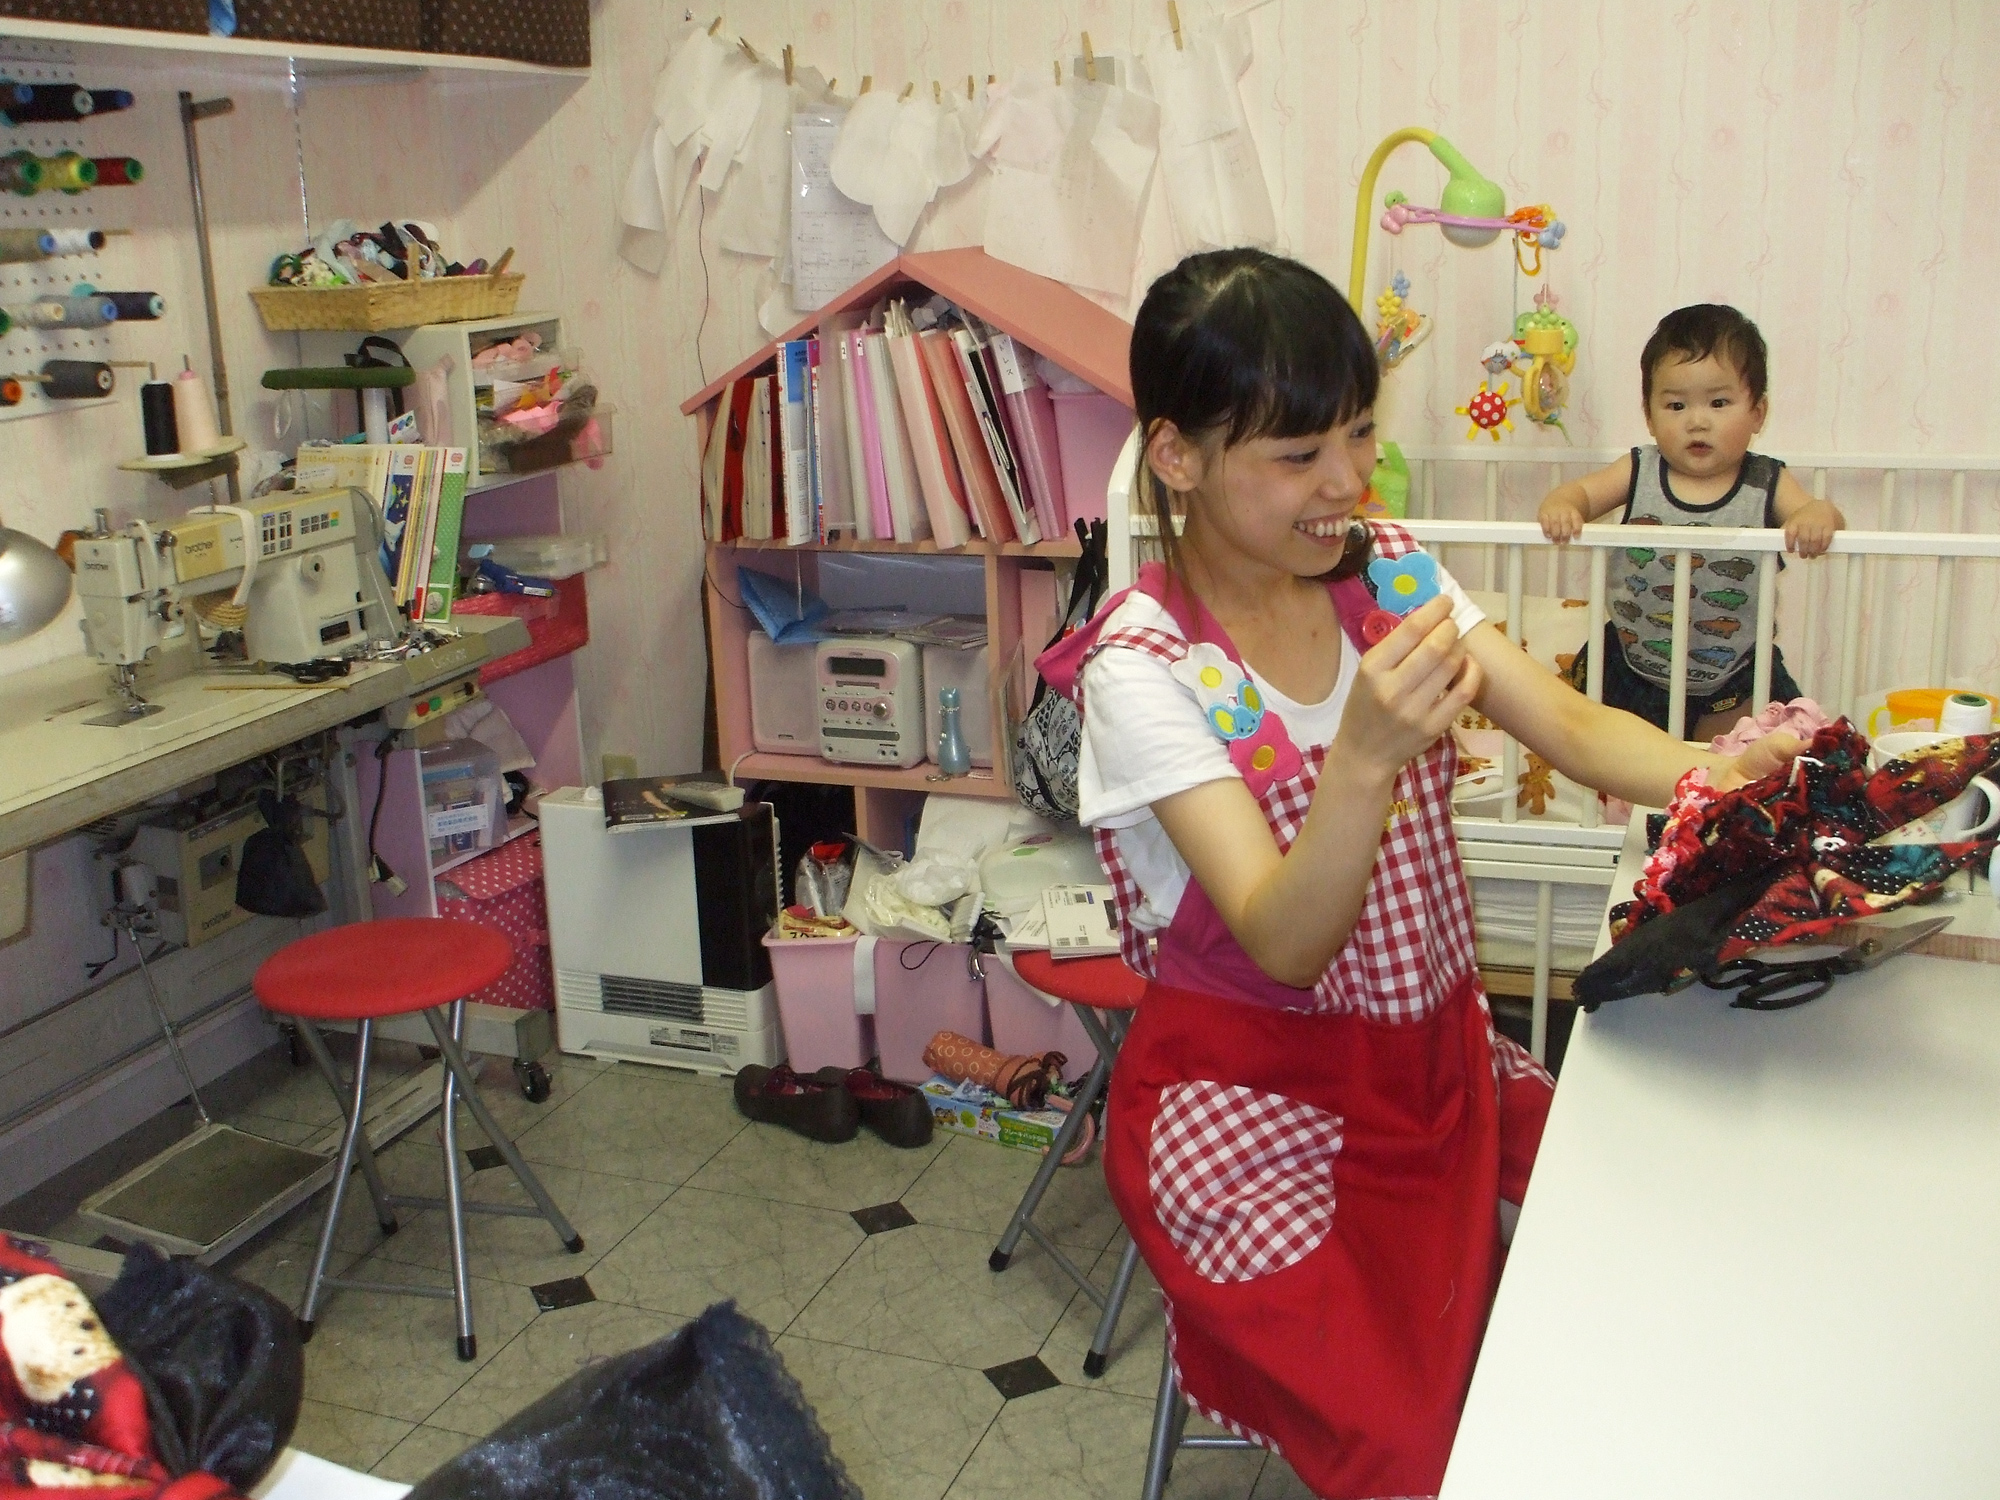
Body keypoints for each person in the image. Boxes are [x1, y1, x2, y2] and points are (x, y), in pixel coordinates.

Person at [1035, 251, 1801, 1500]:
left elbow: (1570, 724)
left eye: (1356, 432)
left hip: (1438, 1067)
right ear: (1174, 455)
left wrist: (1732, 774)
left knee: (1654, 1273)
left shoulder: (1385, 570)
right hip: (1252, 1114)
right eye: (1297, 453)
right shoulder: (1144, 665)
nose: (1346, 482)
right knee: (1418, 1452)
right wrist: (1362, 760)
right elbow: (1283, 940)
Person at [1537, 303, 1844, 740]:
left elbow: (1819, 514)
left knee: (1740, 752)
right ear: (1649, 416)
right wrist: (1565, 504)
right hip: (1632, 665)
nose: (1697, 421)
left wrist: (1816, 515)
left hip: (1735, 674)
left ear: (1758, 412)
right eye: (1676, 405)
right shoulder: (1639, 470)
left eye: (1719, 403)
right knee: (1614, 751)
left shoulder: (1767, 482)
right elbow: (1581, 494)